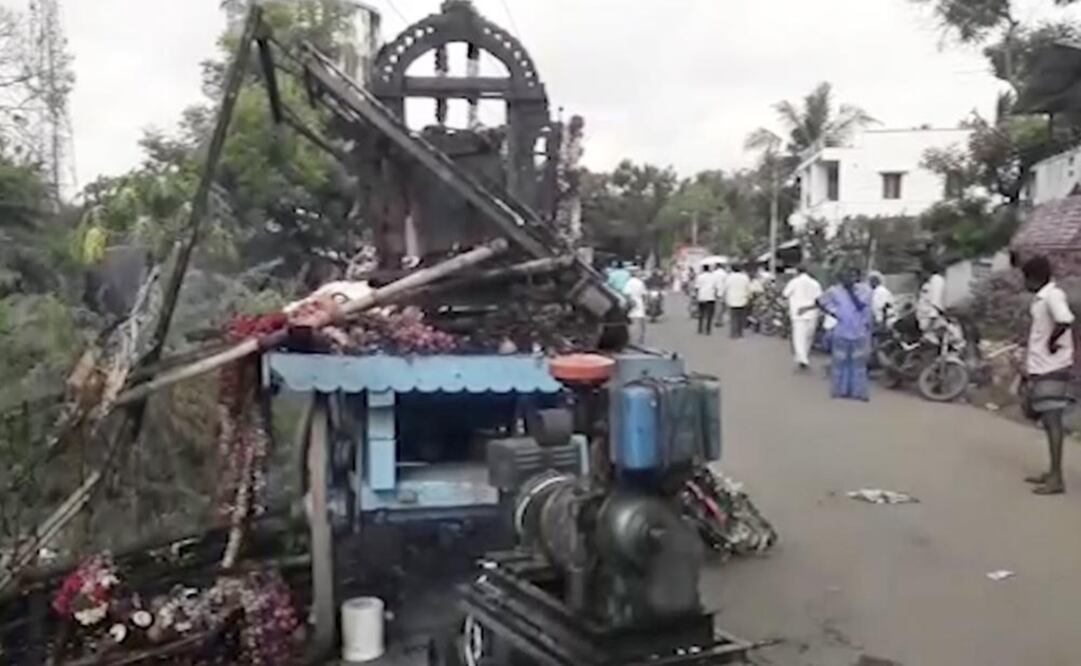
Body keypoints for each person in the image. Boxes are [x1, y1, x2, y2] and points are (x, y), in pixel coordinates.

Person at [1020, 256, 1075, 495]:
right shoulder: (1043, 298)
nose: (1024, 283)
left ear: (1035, 277)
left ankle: (1057, 479)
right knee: (1044, 418)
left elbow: (1065, 320)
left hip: (1053, 367)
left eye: (1026, 278)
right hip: (1041, 366)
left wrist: (1052, 342)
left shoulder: (1053, 296)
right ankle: (1052, 472)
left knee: (1053, 422)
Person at [807, 266, 873, 400]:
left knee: (858, 364)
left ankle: (858, 392)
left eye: (852, 275)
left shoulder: (865, 290)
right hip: (841, 331)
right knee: (839, 362)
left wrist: (850, 292)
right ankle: (839, 390)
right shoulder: (834, 291)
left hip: (859, 331)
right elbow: (819, 301)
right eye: (846, 276)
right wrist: (835, 313)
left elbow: (861, 306)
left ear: (857, 277)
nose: (849, 278)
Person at [783, 265, 823, 370]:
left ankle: (802, 358)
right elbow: (819, 299)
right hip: (812, 313)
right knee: (808, 337)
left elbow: (785, 294)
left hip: (798, 313)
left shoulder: (794, 282)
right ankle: (803, 356)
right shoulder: (815, 283)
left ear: (797, 271)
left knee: (799, 337)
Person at [916, 260, 946, 336]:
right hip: (925, 322)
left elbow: (936, 302)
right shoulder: (928, 282)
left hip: (932, 324)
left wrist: (931, 320)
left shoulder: (936, 280)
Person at [724, 264, 752, 338]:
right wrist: (749, 297)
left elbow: (726, 288)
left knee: (733, 318)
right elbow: (748, 288)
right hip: (742, 299)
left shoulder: (729, 277)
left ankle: (733, 333)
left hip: (732, 299)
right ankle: (740, 333)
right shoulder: (745, 277)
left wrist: (725, 297)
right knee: (741, 318)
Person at [623, 269, 648, 345]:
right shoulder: (640, 282)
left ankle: (631, 341)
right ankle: (640, 340)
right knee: (641, 324)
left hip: (631, 304)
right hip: (639, 303)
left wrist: (629, 302)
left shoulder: (628, 282)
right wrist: (645, 303)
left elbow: (626, 294)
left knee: (631, 323)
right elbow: (644, 294)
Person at [694, 264, 720, 335]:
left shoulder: (699, 277)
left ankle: (700, 328)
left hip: (701, 297)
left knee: (701, 313)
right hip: (710, 297)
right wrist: (716, 295)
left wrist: (696, 295)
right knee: (709, 314)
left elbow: (697, 287)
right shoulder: (713, 277)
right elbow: (716, 287)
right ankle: (708, 329)